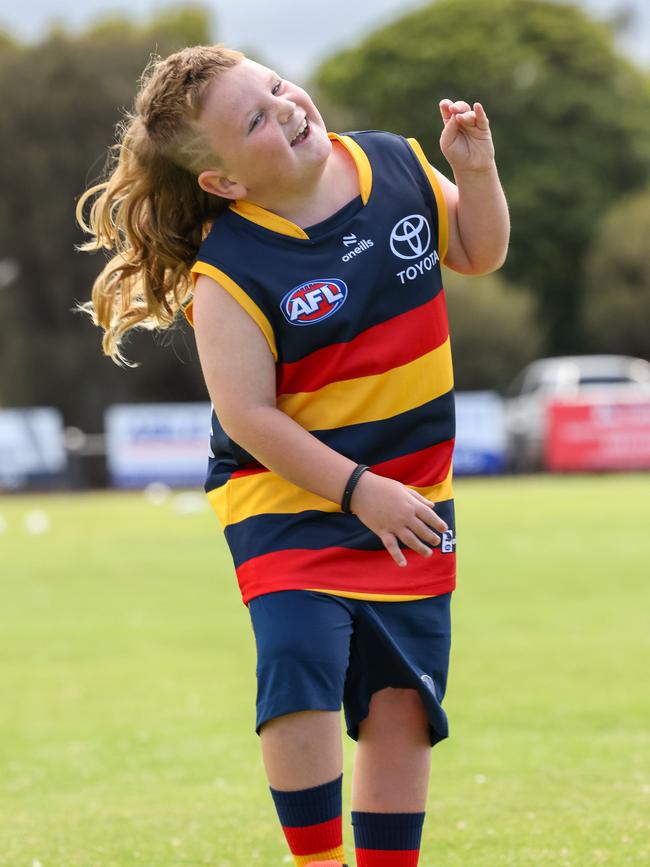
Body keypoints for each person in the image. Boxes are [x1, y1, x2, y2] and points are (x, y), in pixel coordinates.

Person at [76, 43, 509, 867]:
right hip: (284, 497)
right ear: (225, 182)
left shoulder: (396, 162)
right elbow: (247, 417)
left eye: (276, 88)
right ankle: (315, 862)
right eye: (255, 119)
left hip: (412, 494)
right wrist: (357, 490)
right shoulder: (228, 273)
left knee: (402, 703)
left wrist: (477, 171)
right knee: (301, 659)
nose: (285, 109)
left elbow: (478, 252)